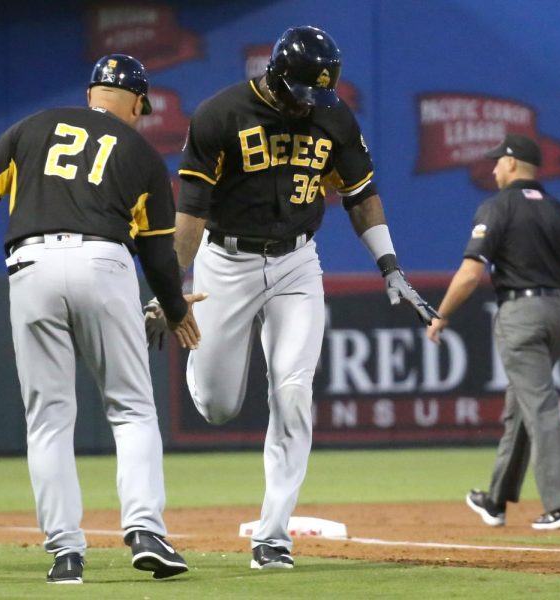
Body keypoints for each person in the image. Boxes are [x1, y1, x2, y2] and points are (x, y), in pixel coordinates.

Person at [0, 54, 205, 583]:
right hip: (103, 264)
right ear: (136, 103)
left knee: (48, 420)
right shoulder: (141, 152)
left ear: (91, 95)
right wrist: (176, 309)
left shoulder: (30, 129)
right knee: (131, 410)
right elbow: (156, 257)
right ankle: (145, 531)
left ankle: (66, 554)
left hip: (31, 266)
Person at [146, 25, 438, 569]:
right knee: (216, 404)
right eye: (304, 93)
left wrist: (390, 265)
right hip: (225, 263)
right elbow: (191, 213)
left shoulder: (333, 116)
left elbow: (361, 193)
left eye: (319, 94)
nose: (311, 106)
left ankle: (273, 536)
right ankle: (208, 370)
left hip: (297, 263)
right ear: (278, 77)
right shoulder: (220, 114)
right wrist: (172, 289)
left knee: (293, 391)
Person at [427, 133, 560, 530]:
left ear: (511, 163)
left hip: (521, 314)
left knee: (538, 405)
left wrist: (441, 314)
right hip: (558, 313)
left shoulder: (497, 208)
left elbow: (471, 273)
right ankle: (495, 500)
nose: (492, 168)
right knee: (522, 405)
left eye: (497, 161)